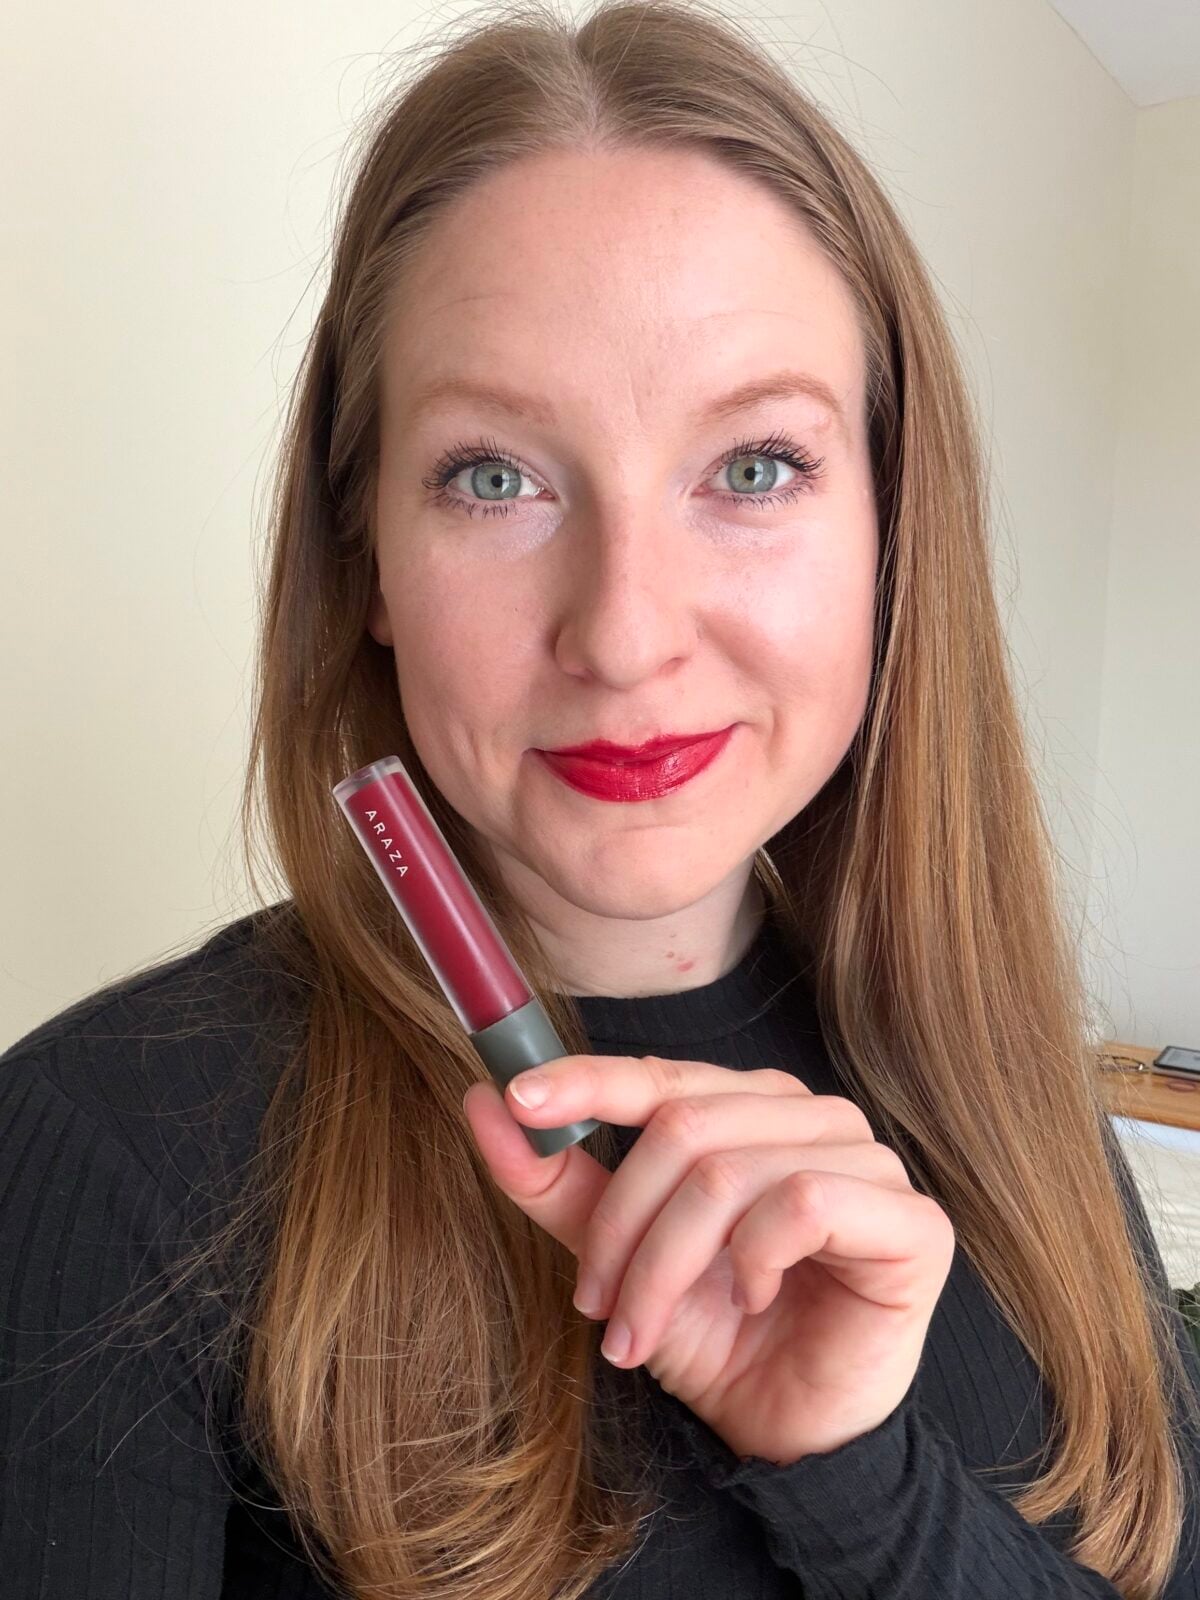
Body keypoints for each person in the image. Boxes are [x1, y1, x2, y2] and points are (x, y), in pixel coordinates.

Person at [2, 1, 1198, 1596]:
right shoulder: (103, 1153)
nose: (627, 634)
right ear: (366, 556)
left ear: (891, 530)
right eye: (495, 475)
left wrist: (860, 1481)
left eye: (755, 466)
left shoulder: (1028, 1104)